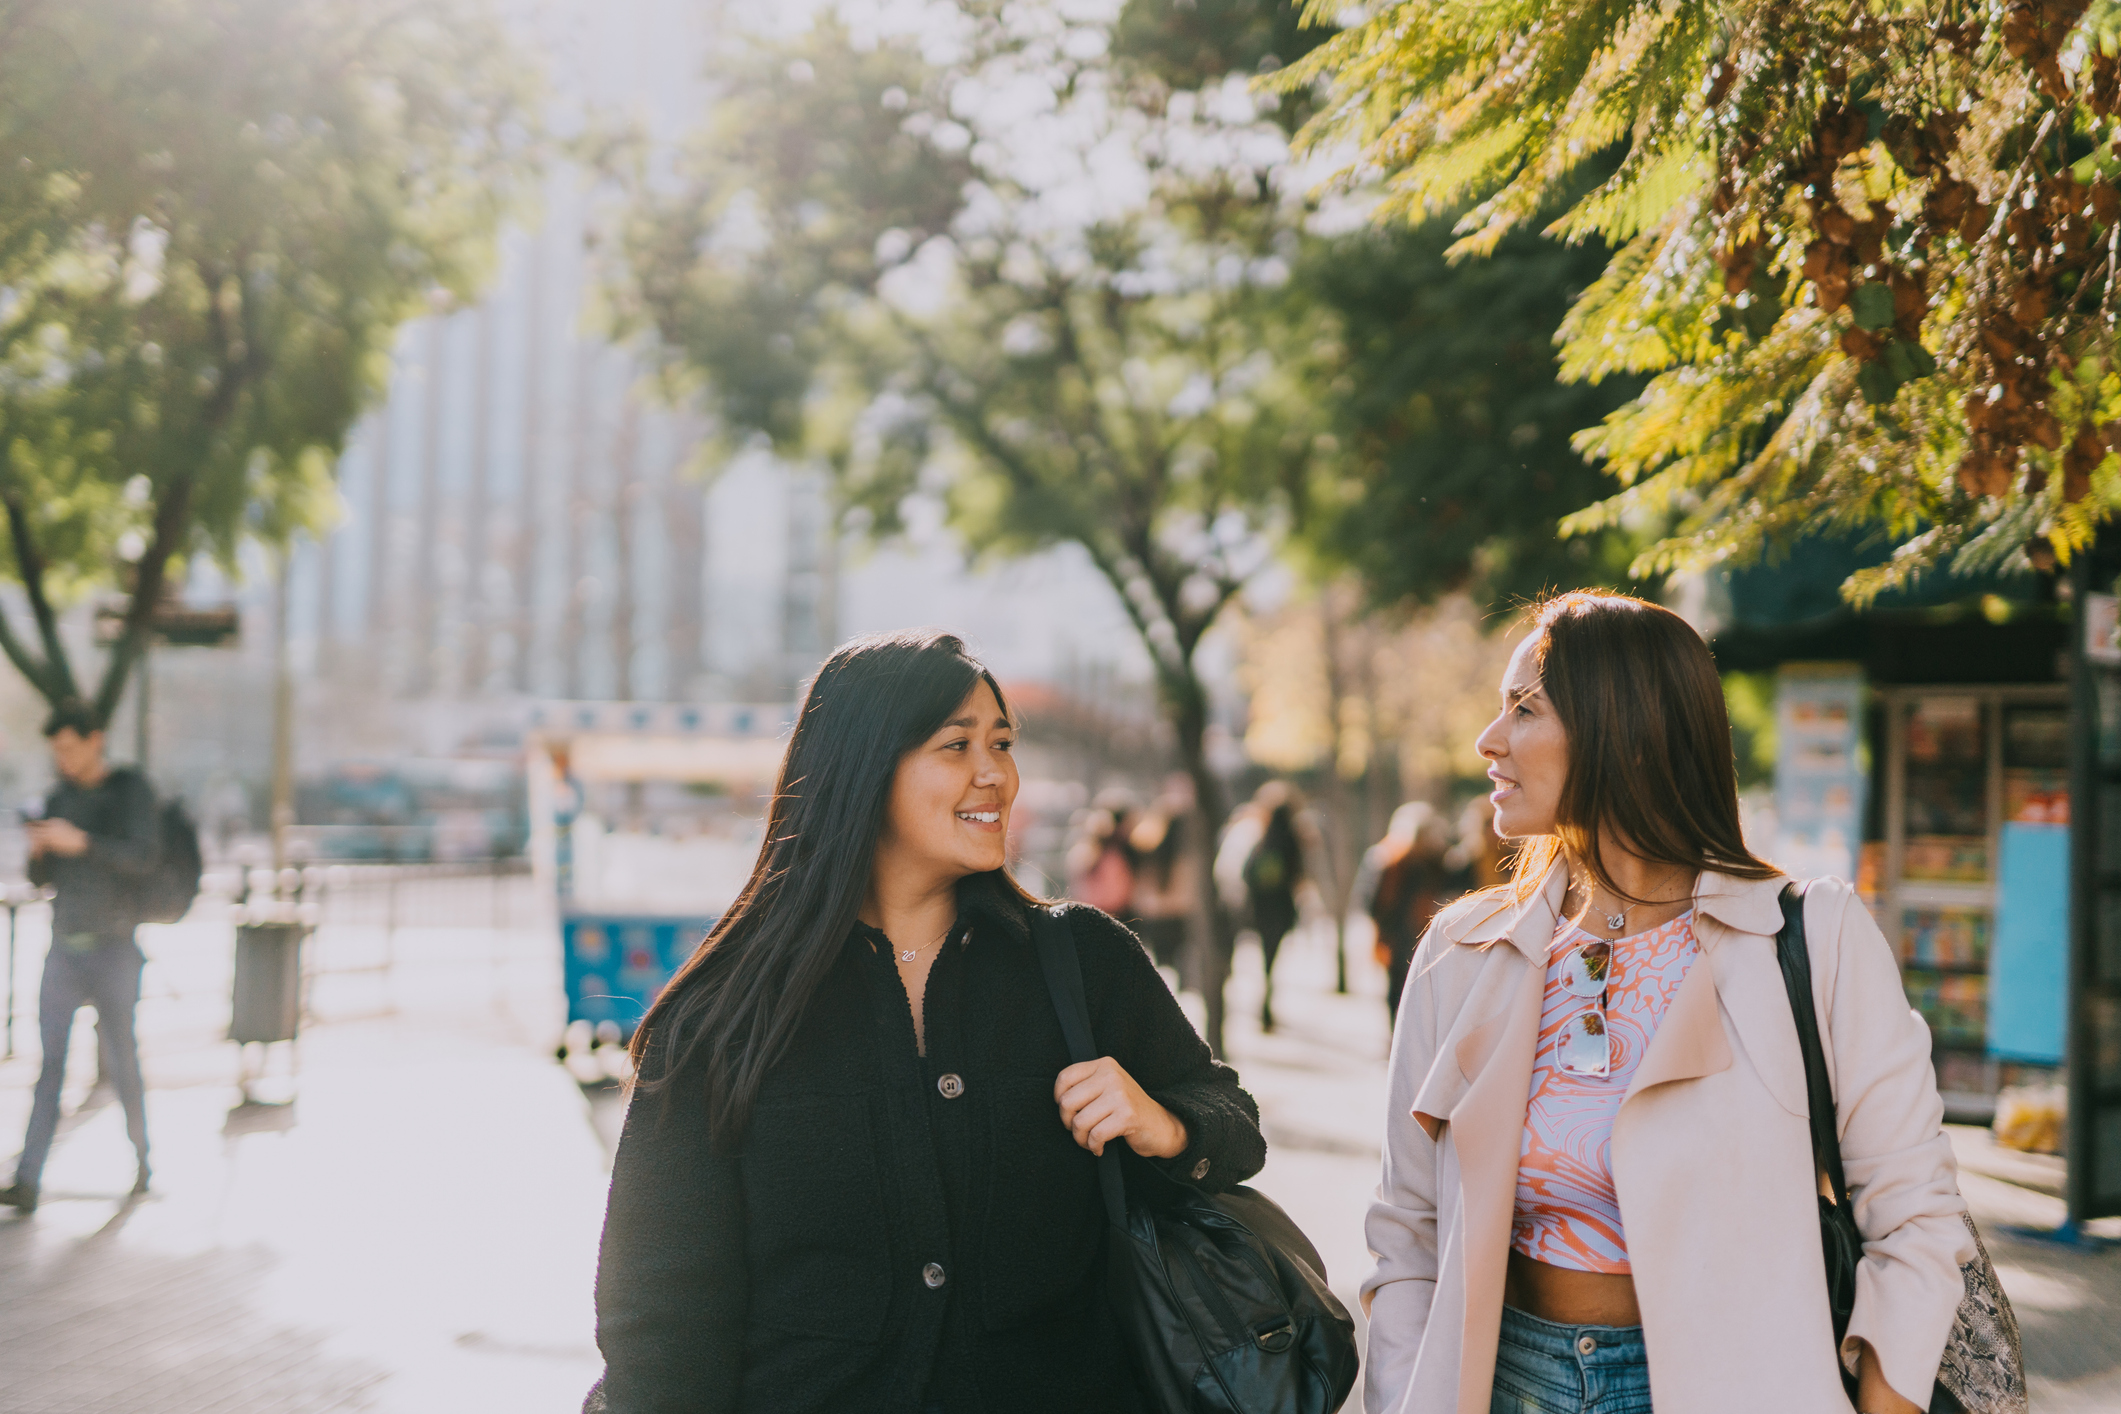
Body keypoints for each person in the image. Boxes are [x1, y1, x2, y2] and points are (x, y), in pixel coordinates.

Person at [584, 631, 1265, 1414]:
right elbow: (658, 1315)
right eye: (956, 745)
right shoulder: (728, 1011)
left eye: (1002, 743)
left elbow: (1234, 1127)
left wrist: (1165, 1123)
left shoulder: (1082, 961)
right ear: (864, 768)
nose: (996, 775)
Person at [1364, 591, 1970, 1414]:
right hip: (1506, 1385)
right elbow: (1406, 1232)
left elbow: (1914, 1223)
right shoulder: (1460, 952)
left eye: (1524, 709)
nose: (1488, 739)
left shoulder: (1811, 937)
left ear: (1628, 731)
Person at [1, 700, 160, 1214]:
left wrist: (82, 843)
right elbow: (41, 882)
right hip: (64, 947)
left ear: (96, 740)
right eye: (56, 751)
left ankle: (143, 1161)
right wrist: (42, 852)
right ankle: (28, 1180)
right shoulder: (58, 796)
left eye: (70, 748)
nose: (63, 760)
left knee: (122, 1059)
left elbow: (144, 856)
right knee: (50, 1065)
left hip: (115, 947)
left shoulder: (130, 790)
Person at [1359, 801, 1460, 1021]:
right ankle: (1395, 1032)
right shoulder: (1387, 859)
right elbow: (1371, 900)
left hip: (1424, 931)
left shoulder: (1437, 861)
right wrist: (1385, 932)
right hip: (1397, 935)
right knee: (1398, 987)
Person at [1238, 781, 1306, 1032]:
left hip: (1260, 907)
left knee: (1264, 955)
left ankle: (1262, 1003)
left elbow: (1246, 873)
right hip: (1282, 907)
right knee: (1272, 957)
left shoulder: (1260, 839)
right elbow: (1299, 877)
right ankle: (1266, 1003)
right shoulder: (1293, 840)